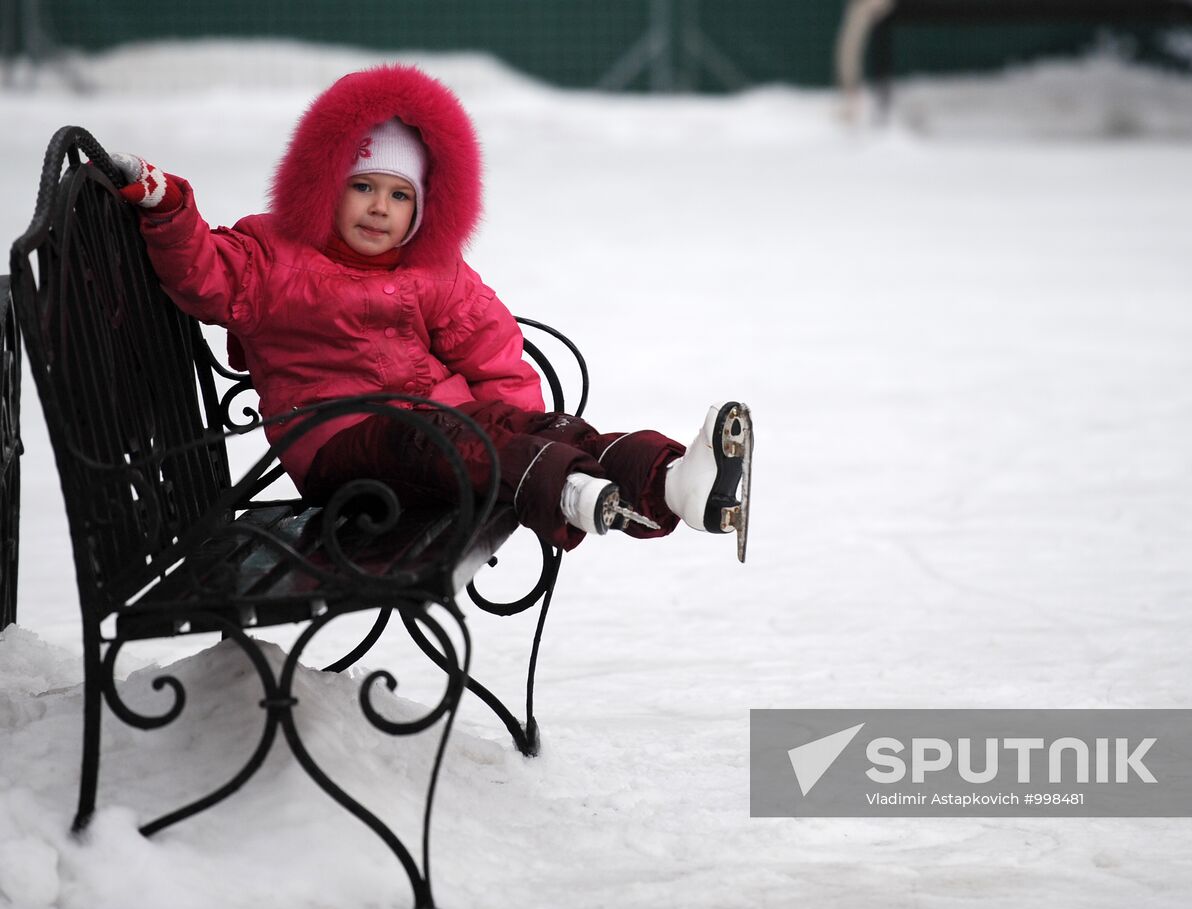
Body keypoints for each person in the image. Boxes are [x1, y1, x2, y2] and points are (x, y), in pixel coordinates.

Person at [111, 64, 752, 558]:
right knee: (443, 438)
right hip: (341, 448)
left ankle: (668, 483)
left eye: (398, 195)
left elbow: (489, 344)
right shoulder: (273, 257)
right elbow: (206, 275)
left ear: (420, 209)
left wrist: (526, 426)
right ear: (325, 187)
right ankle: (563, 487)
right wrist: (169, 209)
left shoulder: (430, 269)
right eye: (361, 187)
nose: (378, 208)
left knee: (521, 429)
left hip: (440, 434)